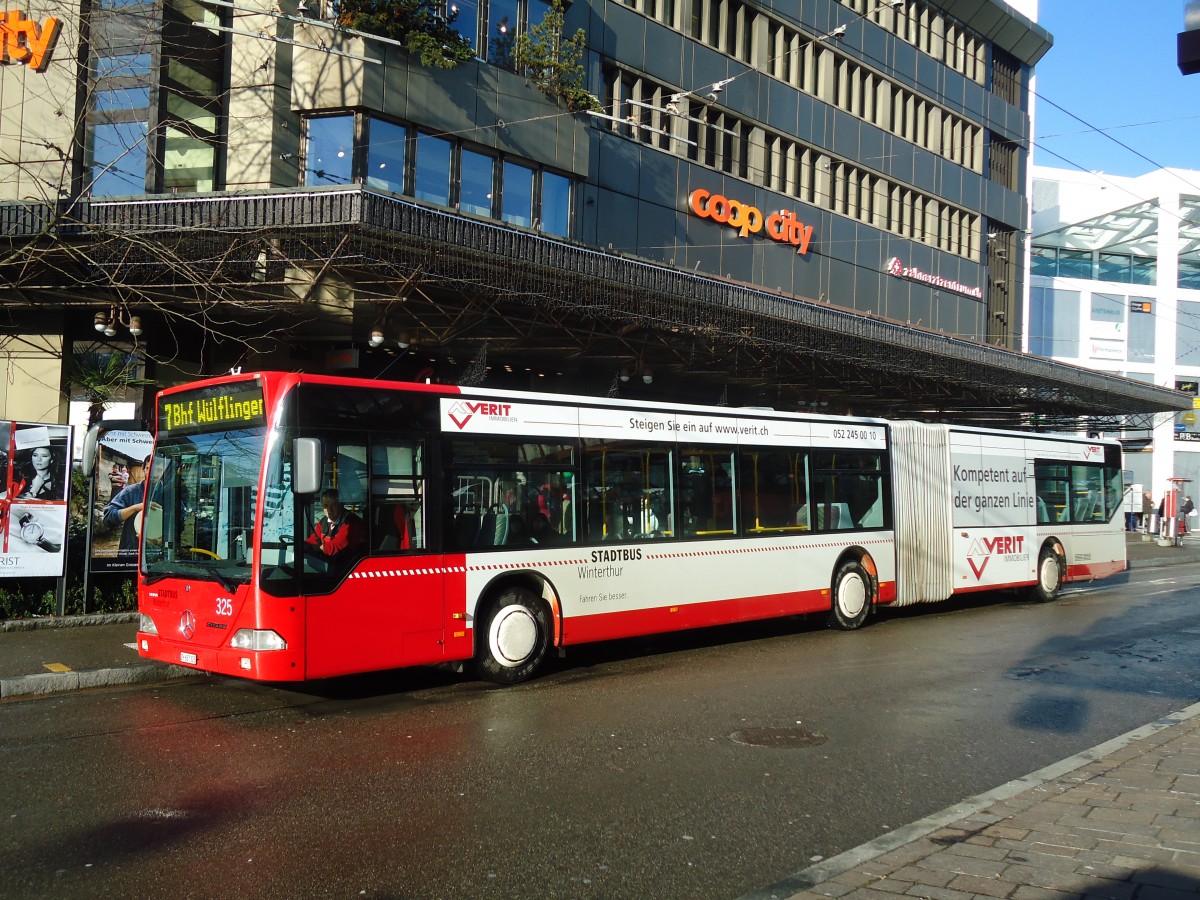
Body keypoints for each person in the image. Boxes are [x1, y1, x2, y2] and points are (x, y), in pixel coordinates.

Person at [103, 456, 151, 554]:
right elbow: (108, 518)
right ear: (143, 468)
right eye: (148, 468)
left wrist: (159, 539)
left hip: (158, 555)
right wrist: (135, 508)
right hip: (131, 552)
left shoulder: (168, 494)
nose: (152, 473)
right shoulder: (130, 492)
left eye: (157, 470)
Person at [306, 489, 365, 559]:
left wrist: (319, 547)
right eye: (325, 505)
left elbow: (337, 546)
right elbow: (314, 539)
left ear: (340, 505)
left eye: (333, 505)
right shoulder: (323, 522)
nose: (329, 509)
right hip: (330, 563)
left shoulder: (350, 522)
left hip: (347, 564)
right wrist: (304, 545)